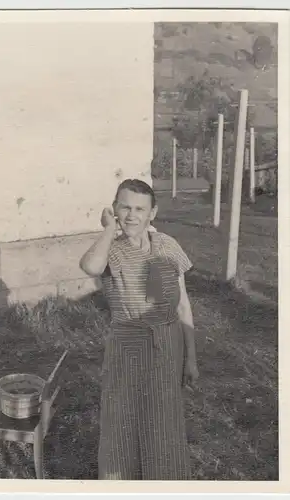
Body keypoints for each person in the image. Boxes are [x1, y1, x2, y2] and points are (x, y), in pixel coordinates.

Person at [80, 178, 199, 480]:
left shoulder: (168, 246)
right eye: (125, 207)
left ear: (152, 213)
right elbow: (91, 267)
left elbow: (183, 305)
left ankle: (163, 482)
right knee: (123, 417)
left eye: (140, 209)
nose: (132, 215)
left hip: (168, 341)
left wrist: (191, 358)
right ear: (114, 209)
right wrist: (108, 230)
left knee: (163, 417)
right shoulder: (111, 250)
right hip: (127, 345)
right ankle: (122, 483)